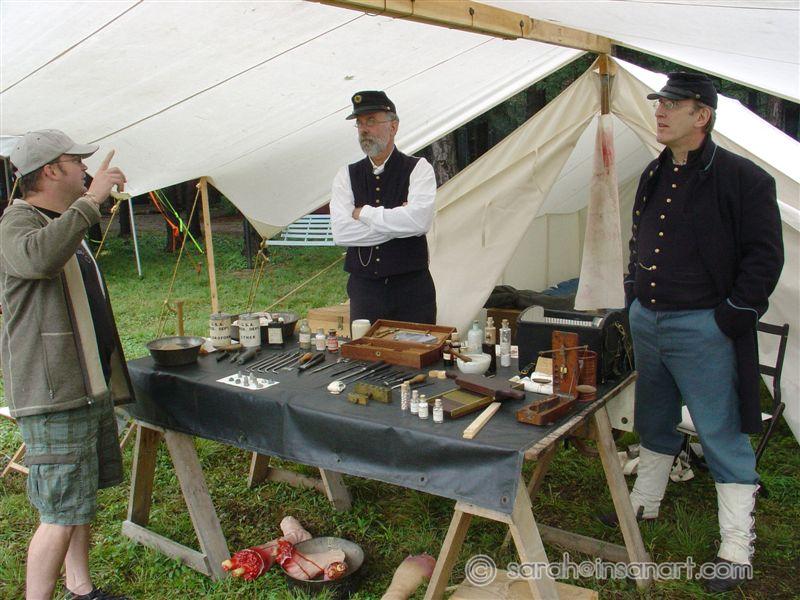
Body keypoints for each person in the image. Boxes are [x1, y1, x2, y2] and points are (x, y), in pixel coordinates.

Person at [618, 73, 784, 592]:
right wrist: (633, 293)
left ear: (702, 115)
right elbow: (639, 238)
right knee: (654, 415)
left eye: (672, 104)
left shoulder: (745, 179)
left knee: (720, 431)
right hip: (649, 320)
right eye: (659, 103)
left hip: (705, 326)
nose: (660, 111)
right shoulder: (653, 171)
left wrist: (730, 316)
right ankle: (645, 502)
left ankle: (735, 547)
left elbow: (764, 258)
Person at [2, 130, 135, 600]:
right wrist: (91, 200)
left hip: (84, 388)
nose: (85, 168)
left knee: (79, 500)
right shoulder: (16, 221)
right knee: (58, 513)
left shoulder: (60, 222)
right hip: (53, 395)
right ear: (51, 169)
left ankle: (81, 589)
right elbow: (37, 260)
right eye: (76, 160)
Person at [330, 90, 437, 325]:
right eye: (359, 123)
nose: (364, 129)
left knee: (415, 348)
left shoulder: (419, 169)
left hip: (412, 292)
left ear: (393, 126)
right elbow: (341, 233)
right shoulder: (346, 175)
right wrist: (400, 223)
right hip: (365, 292)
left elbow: (420, 222)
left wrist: (363, 213)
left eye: (371, 121)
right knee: (365, 349)